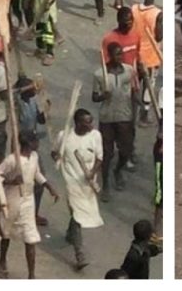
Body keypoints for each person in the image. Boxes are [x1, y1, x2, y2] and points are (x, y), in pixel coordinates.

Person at [0, 132, 60, 279]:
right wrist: (11, 181)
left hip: (28, 201)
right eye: (36, 141)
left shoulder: (34, 156)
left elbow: (36, 173)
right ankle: (1, 262)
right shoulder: (12, 160)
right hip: (12, 200)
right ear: (29, 143)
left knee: (30, 237)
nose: (38, 144)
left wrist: (49, 187)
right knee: (6, 232)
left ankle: (31, 275)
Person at [52, 109, 103, 270]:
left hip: (87, 183)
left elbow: (100, 158)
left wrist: (92, 173)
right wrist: (57, 157)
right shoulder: (64, 136)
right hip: (71, 181)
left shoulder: (95, 136)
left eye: (91, 121)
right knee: (78, 214)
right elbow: (54, 152)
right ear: (79, 123)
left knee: (78, 213)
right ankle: (79, 254)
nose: (91, 125)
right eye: (87, 122)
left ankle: (70, 233)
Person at [93, 42, 137, 202]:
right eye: (117, 54)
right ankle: (105, 185)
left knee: (126, 151)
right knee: (107, 153)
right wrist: (103, 96)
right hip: (107, 118)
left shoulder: (129, 71)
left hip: (125, 117)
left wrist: (133, 116)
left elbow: (132, 93)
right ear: (110, 55)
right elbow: (94, 97)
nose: (120, 57)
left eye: (121, 54)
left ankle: (118, 171)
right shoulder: (99, 74)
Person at [13, 76, 50, 225]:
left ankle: (33, 213)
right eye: (32, 88)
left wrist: (46, 111)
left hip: (33, 144)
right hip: (20, 145)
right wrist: (28, 87)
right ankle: (17, 212)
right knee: (20, 182)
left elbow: (40, 120)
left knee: (39, 181)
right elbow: (13, 93)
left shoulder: (33, 101)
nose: (35, 90)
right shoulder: (17, 103)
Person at [131, 0, 162, 124]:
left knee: (134, 85)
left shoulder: (134, 9)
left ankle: (131, 113)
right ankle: (144, 116)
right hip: (150, 56)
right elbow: (158, 37)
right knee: (148, 87)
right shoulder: (157, 14)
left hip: (134, 54)